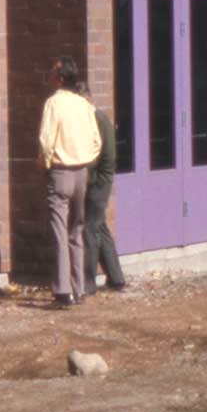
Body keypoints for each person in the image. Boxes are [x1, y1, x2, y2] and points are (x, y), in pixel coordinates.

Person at [38, 56, 101, 307]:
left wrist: (45, 163)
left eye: (53, 71)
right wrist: (86, 159)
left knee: (59, 232)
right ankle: (80, 286)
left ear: (60, 78)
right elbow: (96, 140)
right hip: (81, 172)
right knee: (77, 230)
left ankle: (63, 291)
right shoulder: (84, 104)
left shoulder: (54, 103)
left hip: (61, 170)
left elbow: (46, 139)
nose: (49, 74)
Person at [82, 97, 127, 296]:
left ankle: (87, 281)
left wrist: (96, 180)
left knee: (89, 229)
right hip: (98, 181)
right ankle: (116, 277)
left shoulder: (97, 120)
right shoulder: (97, 119)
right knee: (100, 226)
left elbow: (107, 157)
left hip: (98, 183)